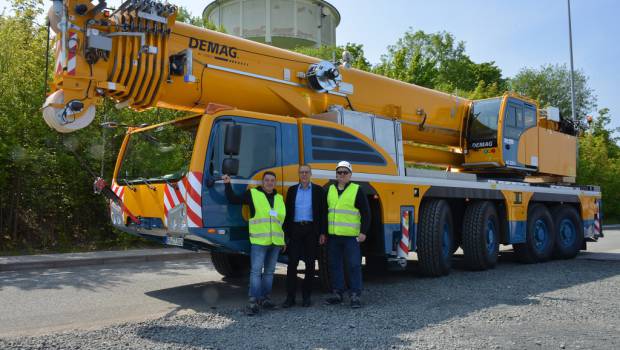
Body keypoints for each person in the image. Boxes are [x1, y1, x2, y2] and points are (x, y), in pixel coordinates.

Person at [222, 171, 285, 316]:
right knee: (256, 272)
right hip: (259, 241)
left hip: (275, 242)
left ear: (274, 182)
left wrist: (284, 239)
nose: (269, 182)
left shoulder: (279, 198)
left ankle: (265, 299)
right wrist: (227, 184)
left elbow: (282, 222)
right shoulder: (253, 194)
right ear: (263, 182)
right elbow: (233, 199)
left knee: (269, 272)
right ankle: (254, 301)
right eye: (267, 180)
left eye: (272, 180)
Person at [324, 161, 370, 309]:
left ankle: (355, 295)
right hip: (334, 236)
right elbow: (326, 213)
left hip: (351, 237)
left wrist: (363, 232)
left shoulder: (357, 190)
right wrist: (324, 233)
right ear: (336, 175)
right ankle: (338, 293)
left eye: (345, 172)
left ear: (350, 175)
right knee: (334, 265)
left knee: (354, 265)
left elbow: (366, 213)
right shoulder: (330, 189)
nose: (342, 175)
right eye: (339, 172)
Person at [282, 164, 327, 308]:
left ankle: (306, 297)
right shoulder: (292, 190)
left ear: (311, 174)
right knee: (292, 264)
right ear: (298, 174)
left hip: (311, 230)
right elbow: (288, 213)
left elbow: (323, 213)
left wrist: (322, 233)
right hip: (295, 230)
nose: (304, 175)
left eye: (307, 172)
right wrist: (286, 234)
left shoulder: (319, 191)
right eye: (301, 172)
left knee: (310, 264)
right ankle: (290, 298)